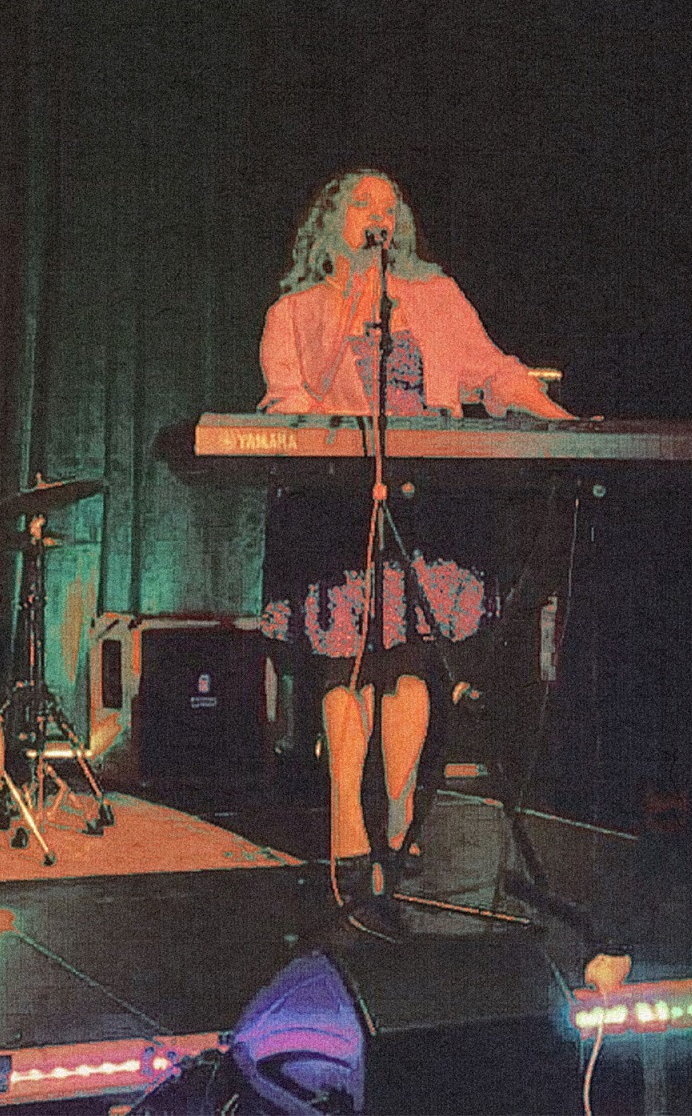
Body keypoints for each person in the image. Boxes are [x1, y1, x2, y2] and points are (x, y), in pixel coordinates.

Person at [255, 169, 571, 925]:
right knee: (346, 664)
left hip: (423, 502)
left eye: (390, 205)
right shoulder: (295, 311)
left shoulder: (435, 296)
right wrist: (343, 326)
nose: (380, 215)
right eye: (363, 203)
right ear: (331, 221)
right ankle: (346, 819)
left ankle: (398, 818)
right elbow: (286, 402)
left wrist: (559, 417)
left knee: (408, 660)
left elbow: (493, 371)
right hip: (337, 508)